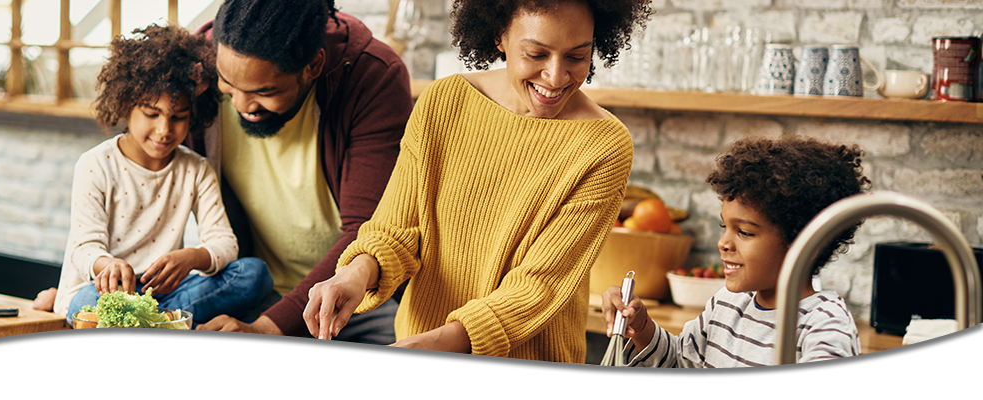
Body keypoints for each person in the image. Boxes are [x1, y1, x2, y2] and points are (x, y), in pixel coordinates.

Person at [303, 0, 649, 369]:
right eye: (536, 53)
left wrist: (430, 347)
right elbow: (396, 229)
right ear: (500, 35)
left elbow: (539, 287)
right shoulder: (444, 103)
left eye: (577, 57)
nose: (555, 76)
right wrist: (354, 275)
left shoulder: (604, 144)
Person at [185, 0, 413, 366]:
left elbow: (366, 229)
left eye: (264, 91)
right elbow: (144, 183)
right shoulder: (195, 67)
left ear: (313, 67)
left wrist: (270, 330)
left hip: (355, 300)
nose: (243, 104)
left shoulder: (372, 76)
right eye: (227, 83)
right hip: (250, 290)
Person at [49, 24, 274, 326]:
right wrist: (110, 265)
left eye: (178, 117)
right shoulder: (95, 164)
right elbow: (84, 247)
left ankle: (151, 329)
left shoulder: (196, 169)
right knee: (83, 304)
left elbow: (225, 243)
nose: (165, 130)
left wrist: (192, 258)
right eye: (151, 114)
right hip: (106, 294)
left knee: (253, 275)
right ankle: (174, 329)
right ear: (126, 104)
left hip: (168, 295)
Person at [601, 136, 872, 368]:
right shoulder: (727, 304)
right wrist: (642, 324)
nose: (724, 243)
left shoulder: (825, 326)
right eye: (725, 226)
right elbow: (680, 361)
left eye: (744, 232)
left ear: (806, 244)